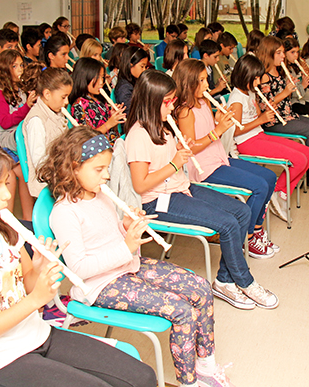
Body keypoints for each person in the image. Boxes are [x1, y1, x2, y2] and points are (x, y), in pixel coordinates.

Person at [0, 137, 156, 387]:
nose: (7, 195)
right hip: (0, 361)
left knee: (143, 378)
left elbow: (26, 285)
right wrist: (35, 300)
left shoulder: (4, 230)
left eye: (5, 183)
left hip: (38, 335)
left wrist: (38, 271)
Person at [39, 126, 234, 387]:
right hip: (99, 284)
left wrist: (127, 226)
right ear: (74, 167)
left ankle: (206, 367)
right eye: (99, 169)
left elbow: (109, 234)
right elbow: (79, 268)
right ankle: (189, 382)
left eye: (107, 168)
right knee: (182, 311)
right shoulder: (64, 213)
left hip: (127, 265)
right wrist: (126, 247)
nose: (107, 175)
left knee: (200, 287)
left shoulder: (99, 194)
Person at [126, 69, 278, 310]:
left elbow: (170, 160)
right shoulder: (138, 135)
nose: (172, 106)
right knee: (227, 223)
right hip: (157, 201)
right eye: (168, 102)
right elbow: (140, 184)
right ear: (151, 101)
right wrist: (175, 162)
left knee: (241, 211)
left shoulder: (163, 125)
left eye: (174, 100)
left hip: (181, 187)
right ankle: (245, 281)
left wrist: (180, 150)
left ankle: (224, 281)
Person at [174, 59, 278, 258]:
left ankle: (256, 229)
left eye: (206, 79)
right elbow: (190, 148)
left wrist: (219, 122)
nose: (207, 85)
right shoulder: (185, 111)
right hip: (204, 168)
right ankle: (247, 237)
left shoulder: (203, 102)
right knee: (259, 186)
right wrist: (217, 131)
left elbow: (211, 132)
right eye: (202, 80)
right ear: (188, 83)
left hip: (219, 158)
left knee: (269, 177)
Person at [227, 55, 309, 221]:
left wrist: (266, 110)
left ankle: (281, 193)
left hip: (259, 135)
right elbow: (234, 131)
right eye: (256, 78)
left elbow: (256, 115)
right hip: (246, 142)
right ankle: (277, 192)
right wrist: (261, 120)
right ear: (246, 76)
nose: (259, 82)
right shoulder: (236, 99)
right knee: (299, 159)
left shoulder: (250, 92)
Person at [255, 36, 309, 192]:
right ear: (269, 54)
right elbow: (265, 105)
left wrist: (294, 85)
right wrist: (285, 91)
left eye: (282, 52)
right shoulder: (263, 76)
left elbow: (286, 97)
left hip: (287, 115)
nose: (282, 56)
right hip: (274, 121)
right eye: (279, 53)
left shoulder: (279, 70)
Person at [0, 49, 37, 219]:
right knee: (25, 170)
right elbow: (5, 122)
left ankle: (28, 218)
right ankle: (26, 216)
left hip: (22, 135)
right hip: (11, 137)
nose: (20, 70)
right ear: (4, 70)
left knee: (25, 174)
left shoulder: (22, 89)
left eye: (21, 65)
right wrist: (27, 107)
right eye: (14, 66)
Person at [23, 68, 73, 197]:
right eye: (63, 97)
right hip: (48, 182)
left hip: (63, 171)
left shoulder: (56, 112)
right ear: (47, 94)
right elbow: (40, 162)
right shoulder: (36, 120)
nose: (66, 102)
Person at [69, 58, 125, 144]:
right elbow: (86, 138)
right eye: (97, 78)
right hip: (100, 149)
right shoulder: (78, 105)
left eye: (102, 77)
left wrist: (113, 118)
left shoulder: (99, 99)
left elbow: (111, 133)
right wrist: (109, 123)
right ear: (84, 78)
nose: (101, 82)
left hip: (113, 144)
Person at [114, 45, 149, 114]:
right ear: (130, 64)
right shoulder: (124, 88)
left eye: (145, 67)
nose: (144, 70)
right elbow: (131, 111)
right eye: (142, 66)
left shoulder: (134, 81)